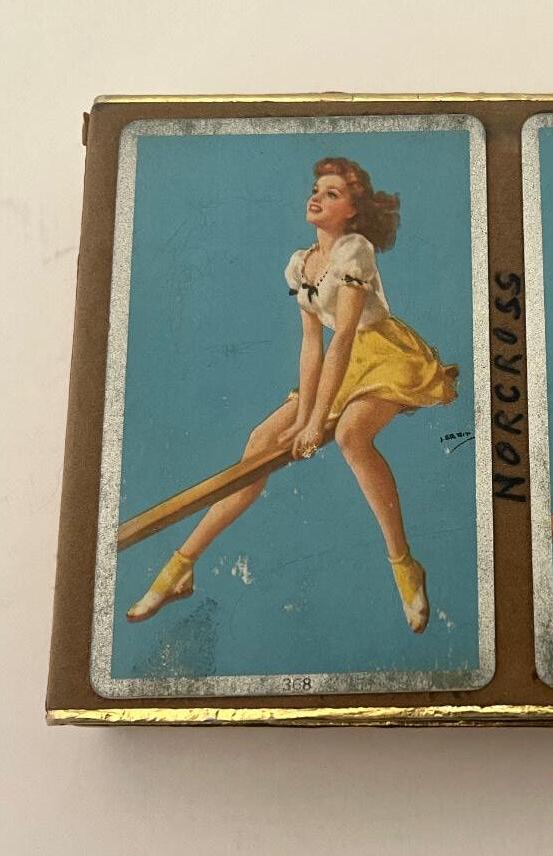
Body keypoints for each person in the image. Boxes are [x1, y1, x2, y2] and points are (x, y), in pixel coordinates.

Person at [126, 157, 458, 634]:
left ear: (352, 212)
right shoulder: (300, 265)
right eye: (316, 189)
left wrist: (315, 423)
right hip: (338, 367)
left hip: (384, 354)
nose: (317, 197)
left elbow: (345, 338)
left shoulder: (355, 251)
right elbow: (312, 345)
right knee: (261, 441)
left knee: (351, 435)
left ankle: (404, 564)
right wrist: (304, 416)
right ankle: (181, 566)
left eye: (332, 193)